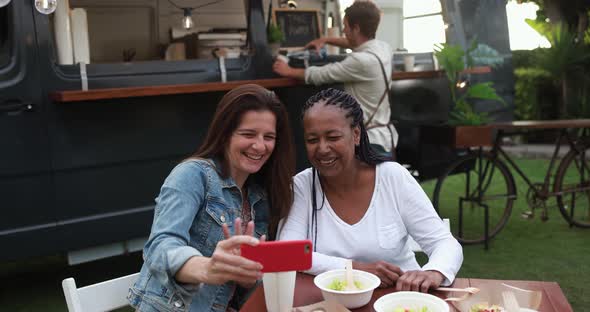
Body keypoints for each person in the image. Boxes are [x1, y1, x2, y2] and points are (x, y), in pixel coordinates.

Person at [128, 84, 295, 311]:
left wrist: (246, 278)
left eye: (269, 137)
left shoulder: (261, 195)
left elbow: (242, 286)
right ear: (225, 133)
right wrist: (207, 269)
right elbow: (160, 247)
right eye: (248, 134)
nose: (259, 146)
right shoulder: (193, 174)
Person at [278, 88, 462, 292]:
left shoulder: (392, 177)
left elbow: (444, 242)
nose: (322, 148)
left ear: (355, 134)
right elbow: (288, 254)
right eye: (312, 140)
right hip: (331, 303)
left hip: (400, 300)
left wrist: (434, 272)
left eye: (333, 137)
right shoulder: (303, 186)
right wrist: (354, 269)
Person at [272, 0, 397, 155]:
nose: (343, 31)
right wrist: (326, 39)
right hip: (384, 137)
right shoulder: (384, 48)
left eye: (345, 27)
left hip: (368, 142)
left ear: (356, 28)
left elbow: (320, 74)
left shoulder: (360, 61)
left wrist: (288, 71)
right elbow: (353, 44)